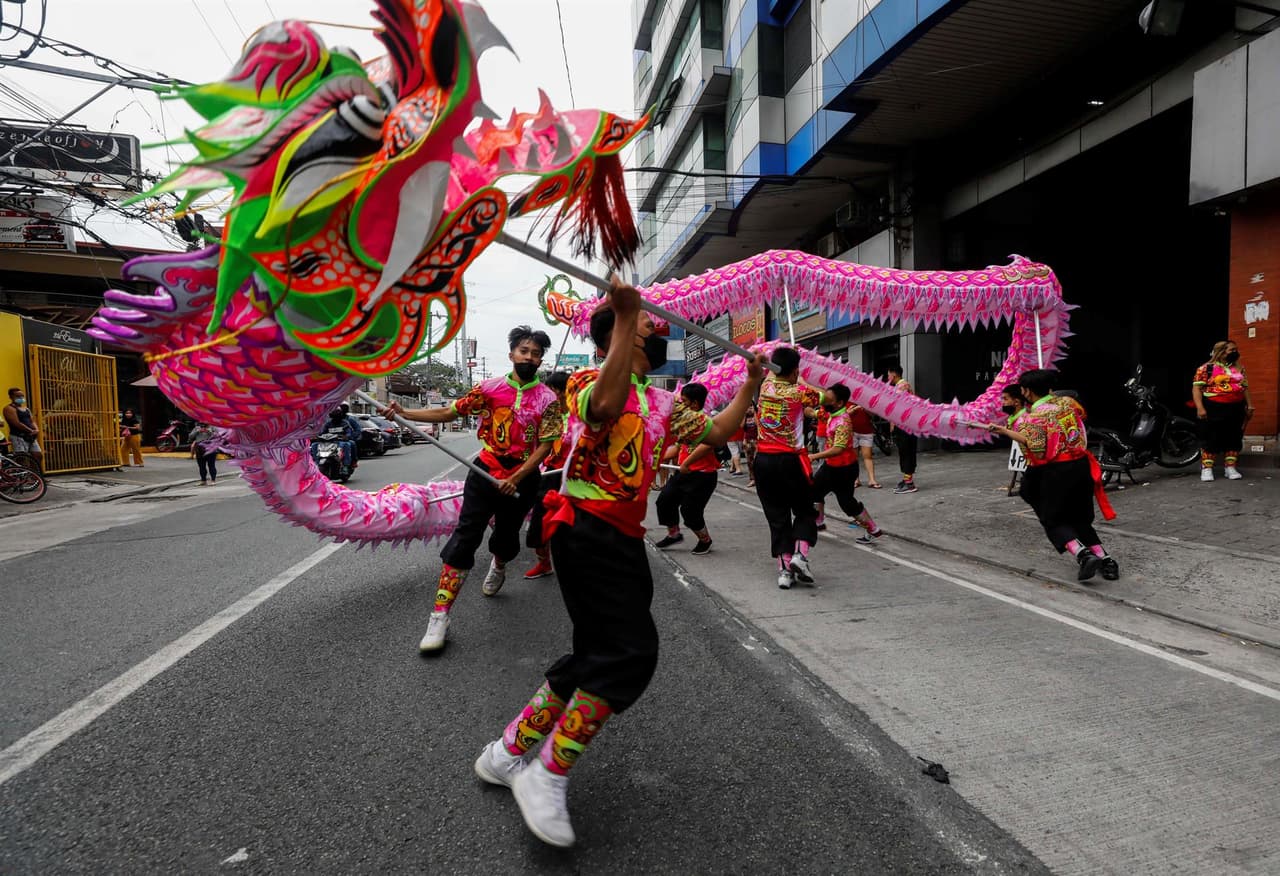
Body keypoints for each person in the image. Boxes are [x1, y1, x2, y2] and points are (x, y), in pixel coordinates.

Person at [471, 279, 764, 848]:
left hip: (624, 538)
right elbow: (604, 408)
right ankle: (547, 771)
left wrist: (751, 383)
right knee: (630, 654)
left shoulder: (662, 400)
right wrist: (625, 315)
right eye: (646, 324)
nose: (656, 329)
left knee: (596, 654)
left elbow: (718, 431)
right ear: (618, 336)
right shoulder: (586, 381)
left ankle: (505, 752)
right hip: (585, 528)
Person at [387, 326, 559, 652]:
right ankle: (440, 615)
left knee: (506, 539)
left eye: (536, 354)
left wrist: (517, 477)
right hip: (485, 472)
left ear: (540, 361)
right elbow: (449, 411)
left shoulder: (548, 399)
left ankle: (499, 564)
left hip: (522, 479)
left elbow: (546, 445)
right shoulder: (488, 390)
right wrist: (403, 413)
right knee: (466, 536)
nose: (529, 358)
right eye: (524, 351)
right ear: (512, 354)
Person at [987, 369, 1119, 582]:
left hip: (1055, 471)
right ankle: (1106, 560)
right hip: (1081, 466)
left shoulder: (1033, 418)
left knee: (1052, 518)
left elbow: (1038, 451)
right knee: (1079, 518)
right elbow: (1081, 414)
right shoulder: (1068, 403)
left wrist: (1007, 432)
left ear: (1026, 392)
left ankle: (1083, 554)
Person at [753, 346, 822, 589]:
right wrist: (800, 380)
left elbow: (775, 374)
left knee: (777, 515)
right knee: (805, 510)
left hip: (763, 462)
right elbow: (824, 398)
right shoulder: (801, 392)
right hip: (790, 461)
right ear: (795, 371)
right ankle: (800, 556)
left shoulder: (765, 388)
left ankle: (784, 571)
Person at [809, 384, 883, 544]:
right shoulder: (830, 413)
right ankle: (818, 522)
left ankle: (873, 529)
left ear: (839, 403)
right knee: (814, 491)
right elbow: (811, 412)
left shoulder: (842, 421)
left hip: (844, 469)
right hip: (830, 466)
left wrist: (814, 456)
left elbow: (838, 448)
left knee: (847, 503)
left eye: (828, 399)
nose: (824, 401)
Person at [654, 383, 721, 556]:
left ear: (695, 404)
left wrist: (686, 463)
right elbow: (677, 448)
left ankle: (705, 540)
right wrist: (655, 459)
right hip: (683, 473)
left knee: (690, 511)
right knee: (665, 501)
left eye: (683, 401)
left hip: (703, 476)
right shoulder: (685, 422)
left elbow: (707, 445)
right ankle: (674, 534)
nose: (680, 404)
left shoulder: (705, 422)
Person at [524, 370, 571, 580]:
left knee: (570, 524)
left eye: (549, 389)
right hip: (550, 474)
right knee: (539, 523)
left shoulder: (580, 416)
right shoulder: (547, 414)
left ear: (559, 391)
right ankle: (544, 563)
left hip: (574, 476)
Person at [1192, 340, 1254, 482]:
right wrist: (1200, 408)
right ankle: (1207, 468)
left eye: (1236, 349)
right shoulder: (1206, 368)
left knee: (1234, 437)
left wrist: (1250, 406)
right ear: (1221, 352)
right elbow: (1196, 389)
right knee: (1211, 437)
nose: (1235, 352)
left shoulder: (1239, 368)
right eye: (1232, 350)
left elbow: (1245, 388)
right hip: (1214, 406)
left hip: (1236, 407)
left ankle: (1230, 467)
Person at [887, 364, 917, 493]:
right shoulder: (900, 386)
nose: (888, 377)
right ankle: (906, 480)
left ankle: (909, 483)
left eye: (888, 374)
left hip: (906, 425)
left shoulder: (902, 386)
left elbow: (899, 407)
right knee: (904, 452)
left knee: (907, 451)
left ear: (894, 374)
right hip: (904, 424)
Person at [4, 387, 42, 470]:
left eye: (22, 396)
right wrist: (30, 430)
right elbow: (16, 423)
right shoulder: (9, 409)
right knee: (22, 458)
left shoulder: (26, 409)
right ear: (11, 397)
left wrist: (36, 429)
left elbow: (32, 421)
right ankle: (22, 474)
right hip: (18, 436)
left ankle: (35, 474)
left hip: (31, 437)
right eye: (18, 396)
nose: (21, 398)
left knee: (38, 455)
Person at [846, 401, 880, 489]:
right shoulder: (846, 400)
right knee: (854, 457)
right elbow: (842, 416)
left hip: (866, 431)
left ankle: (872, 480)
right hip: (852, 431)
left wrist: (866, 408)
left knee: (868, 456)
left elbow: (873, 415)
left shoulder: (866, 400)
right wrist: (852, 410)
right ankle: (855, 479)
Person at [314, 408, 358, 473]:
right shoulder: (328, 424)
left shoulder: (345, 423)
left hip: (341, 441)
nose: (336, 418)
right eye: (334, 416)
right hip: (328, 442)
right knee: (314, 445)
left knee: (348, 444)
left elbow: (349, 432)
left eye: (337, 416)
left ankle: (345, 465)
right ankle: (316, 463)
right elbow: (322, 432)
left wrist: (346, 436)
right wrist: (317, 436)